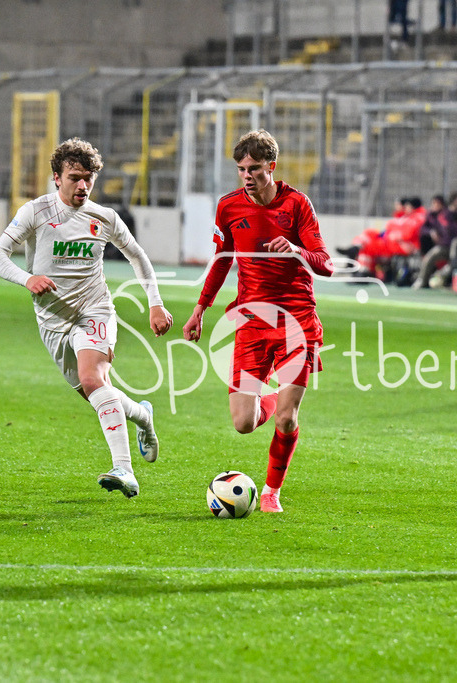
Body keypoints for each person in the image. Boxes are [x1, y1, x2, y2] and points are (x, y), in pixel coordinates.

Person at [0, 137, 172, 498]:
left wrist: (155, 302)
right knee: (94, 393)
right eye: (75, 177)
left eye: (89, 178)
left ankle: (124, 470)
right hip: (53, 321)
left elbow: (138, 255)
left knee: (93, 378)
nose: (83, 185)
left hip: (94, 309)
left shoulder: (104, 217)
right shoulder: (36, 212)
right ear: (56, 177)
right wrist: (28, 279)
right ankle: (143, 417)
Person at [182, 129, 333, 513]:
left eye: (254, 168)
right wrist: (201, 308)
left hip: (296, 320)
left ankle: (271, 491)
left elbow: (326, 265)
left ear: (272, 167)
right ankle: (270, 396)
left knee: (286, 419)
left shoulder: (297, 205)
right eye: (241, 169)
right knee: (243, 423)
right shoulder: (229, 207)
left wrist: (297, 250)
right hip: (251, 321)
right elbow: (221, 261)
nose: (247, 175)